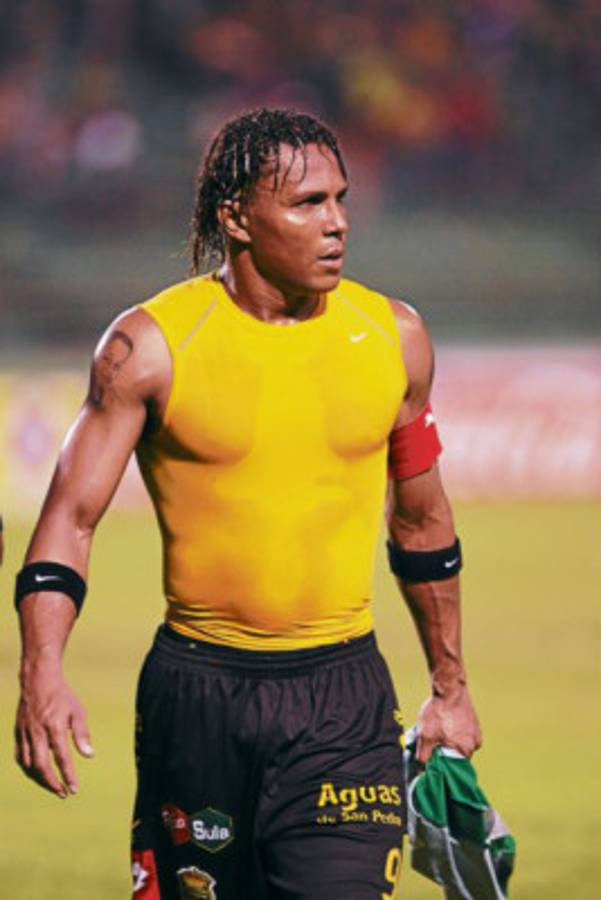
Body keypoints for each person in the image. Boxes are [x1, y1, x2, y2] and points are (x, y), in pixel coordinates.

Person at [14, 107, 481, 900]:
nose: (336, 223)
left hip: (343, 700)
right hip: (197, 696)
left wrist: (449, 687)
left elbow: (421, 521)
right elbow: (69, 519)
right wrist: (41, 672)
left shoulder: (393, 338)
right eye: (307, 203)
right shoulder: (149, 348)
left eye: (340, 199)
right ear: (235, 218)